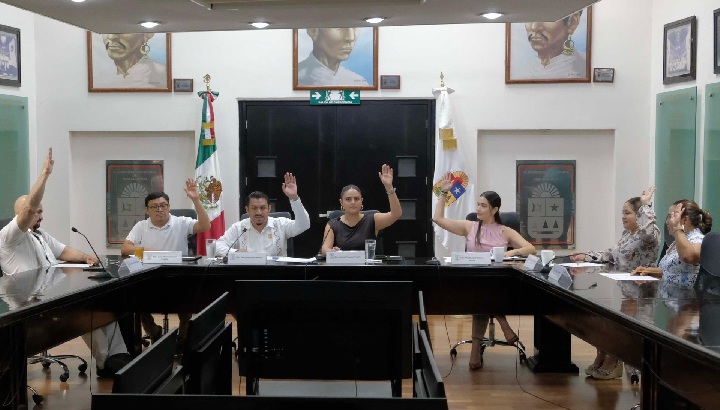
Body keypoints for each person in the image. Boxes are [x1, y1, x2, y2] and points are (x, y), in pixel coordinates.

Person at [0, 148, 130, 377]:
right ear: (21, 215)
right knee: (85, 312)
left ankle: (118, 356)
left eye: (42, 211)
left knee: (103, 303)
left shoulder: (40, 235)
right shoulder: (10, 237)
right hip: (29, 309)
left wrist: (85, 257)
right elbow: (29, 208)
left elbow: (64, 251)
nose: (40, 215)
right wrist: (45, 174)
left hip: (51, 297)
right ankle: (107, 363)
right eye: (36, 212)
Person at [432, 172, 536, 370]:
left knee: (485, 294)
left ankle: (475, 352)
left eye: (483, 206)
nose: (478, 209)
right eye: (478, 205)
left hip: (497, 281)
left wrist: (509, 252)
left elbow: (530, 249)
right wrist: (444, 194)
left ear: (494, 209)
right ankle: (503, 323)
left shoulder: (505, 231)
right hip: (474, 281)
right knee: (483, 292)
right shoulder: (469, 227)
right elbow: (437, 219)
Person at [570, 187, 661, 380]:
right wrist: (586, 256)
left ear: (639, 215)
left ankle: (614, 360)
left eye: (627, 213)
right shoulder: (627, 234)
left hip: (640, 292)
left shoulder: (649, 235)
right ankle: (603, 354)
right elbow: (611, 255)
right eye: (622, 212)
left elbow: (648, 232)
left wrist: (646, 205)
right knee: (602, 320)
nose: (623, 216)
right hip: (623, 289)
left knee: (618, 326)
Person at [120, 179, 211, 346]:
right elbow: (125, 249)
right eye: (154, 207)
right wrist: (146, 251)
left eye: (163, 205)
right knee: (134, 297)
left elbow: (205, 226)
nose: (160, 210)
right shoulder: (141, 226)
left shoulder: (181, 222)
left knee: (189, 293)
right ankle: (154, 331)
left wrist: (196, 200)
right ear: (147, 210)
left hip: (177, 277)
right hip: (149, 278)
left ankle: (183, 336)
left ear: (169, 207)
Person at [215, 172, 309, 257]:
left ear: (269, 209)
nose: (258, 212)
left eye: (263, 208)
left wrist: (294, 198)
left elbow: (304, 225)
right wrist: (236, 252)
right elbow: (218, 247)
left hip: (276, 270)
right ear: (247, 210)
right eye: (254, 208)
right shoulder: (238, 228)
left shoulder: (281, 224)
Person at [321, 164, 401, 254]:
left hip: (367, 263)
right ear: (341, 202)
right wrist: (331, 251)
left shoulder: (373, 219)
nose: (353, 202)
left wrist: (389, 187)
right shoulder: (333, 224)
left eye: (356, 199)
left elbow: (396, 214)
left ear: (361, 201)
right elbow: (324, 249)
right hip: (343, 262)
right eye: (348, 199)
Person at [632, 199, 713, 286]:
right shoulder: (679, 240)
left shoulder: (698, 238)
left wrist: (677, 228)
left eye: (671, 217)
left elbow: (688, 257)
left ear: (685, 220)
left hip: (687, 294)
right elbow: (672, 272)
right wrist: (649, 271)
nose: (667, 222)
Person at [511, 10, 586, 80]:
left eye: (547, 17)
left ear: (572, 22)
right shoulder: (519, 68)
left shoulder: (583, 66)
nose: (534, 27)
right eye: (529, 17)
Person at [297, 28, 369, 87]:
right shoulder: (295, 77)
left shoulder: (358, 82)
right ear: (313, 31)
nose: (351, 37)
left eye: (355, 27)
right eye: (340, 27)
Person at [93, 33, 167, 88]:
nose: (111, 37)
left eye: (123, 29)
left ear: (146, 35)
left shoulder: (162, 73)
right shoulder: (100, 77)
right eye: (106, 30)